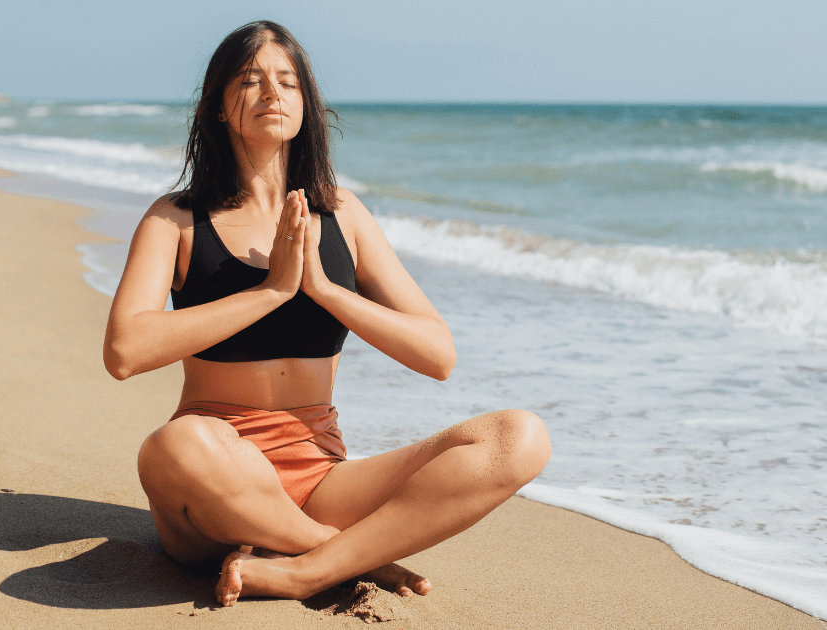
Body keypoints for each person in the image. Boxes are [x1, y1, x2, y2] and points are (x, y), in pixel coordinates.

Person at [102, 20, 551, 606]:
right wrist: (270, 292)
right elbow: (124, 351)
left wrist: (325, 289)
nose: (272, 94)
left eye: (288, 83)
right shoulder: (177, 219)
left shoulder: (343, 215)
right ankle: (343, 555)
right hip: (217, 480)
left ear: (306, 105)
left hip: (321, 477)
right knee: (173, 446)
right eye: (251, 80)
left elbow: (438, 355)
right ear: (216, 106)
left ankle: (301, 570)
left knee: (519, 437)